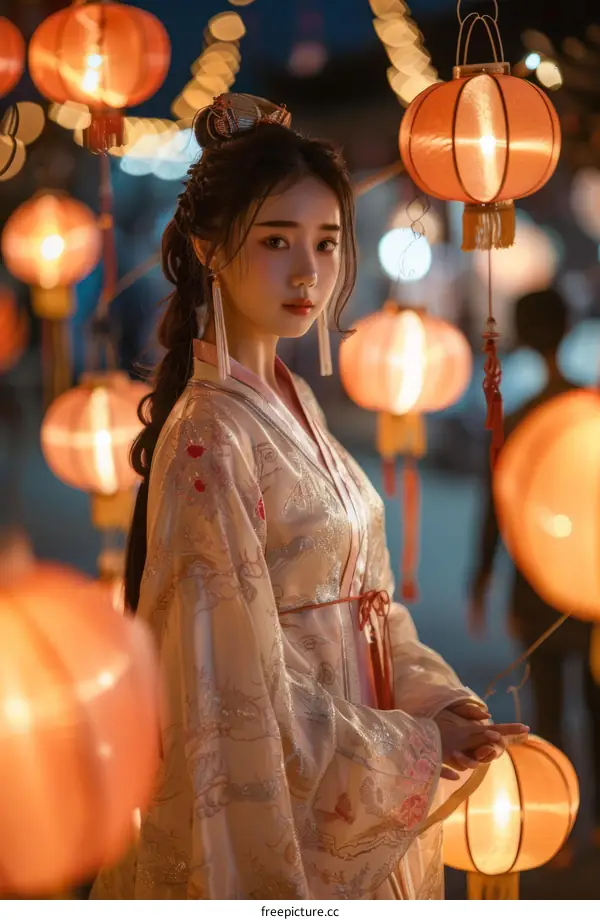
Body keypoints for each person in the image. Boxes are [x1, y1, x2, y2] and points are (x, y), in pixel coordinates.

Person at [91, 93, 527, 901]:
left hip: (353, 762)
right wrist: (413, 744)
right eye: (276, 241)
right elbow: (235, 690)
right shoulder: (210, 435)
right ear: (209, 248)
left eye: (326, 243)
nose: (308, 272)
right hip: (292, 797)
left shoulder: (293, 400)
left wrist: (439, 705)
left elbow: (371, 605)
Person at [469, 287, 600, 853]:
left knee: (546, 709)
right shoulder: (587, 410)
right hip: (590, 585)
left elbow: (497, 508)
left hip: (535, 587)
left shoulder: (518, 417)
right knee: (596, 711)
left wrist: (482, 576)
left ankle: (559, 828)